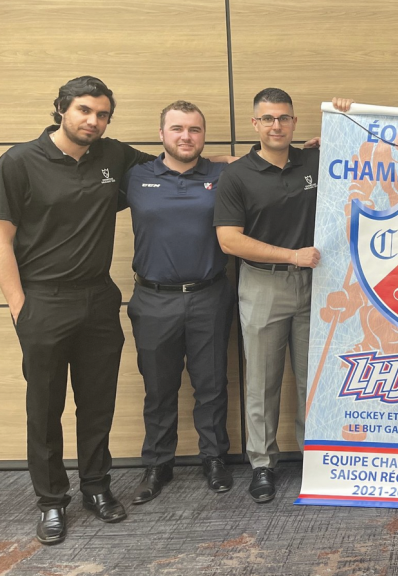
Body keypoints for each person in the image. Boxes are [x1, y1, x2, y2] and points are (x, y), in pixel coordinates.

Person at [0, 76, 158, 544]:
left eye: (103, 113)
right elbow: (2, 240)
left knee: (97, 404)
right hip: (42, 300)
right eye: (85, 110)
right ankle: (51, 501)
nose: (94, 120)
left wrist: (243, 161)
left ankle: (96, 487)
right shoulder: (19, 161)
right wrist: (19, 307)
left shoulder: (114, 155)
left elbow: (177, 165)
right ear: (62, 109)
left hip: (98, 299)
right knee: (44, 408)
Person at [124, 101, 236, 505]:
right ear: (161, 134)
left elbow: (264, 167)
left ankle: (214, 459)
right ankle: (158, 464)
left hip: (209, 294)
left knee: (211, 385)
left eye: (194, 129)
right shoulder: (135, 176)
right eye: (177, 129)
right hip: (153, 299)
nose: (185, 136)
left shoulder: (224, 175)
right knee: (158, 388)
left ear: (203, 136)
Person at [214, 88, 321, 503]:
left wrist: (342, 132)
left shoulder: (314, 160)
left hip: (315, 285)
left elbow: (372, 162)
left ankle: (317, 461)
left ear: (295, 122)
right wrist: (292, 255)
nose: (277, 126)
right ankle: (262, 464)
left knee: (314, 380)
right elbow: (229, 241)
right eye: (269, 119)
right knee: (261, 380)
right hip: (261, 285)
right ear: (255, 125)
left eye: (285, 118)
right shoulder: (237, 175)